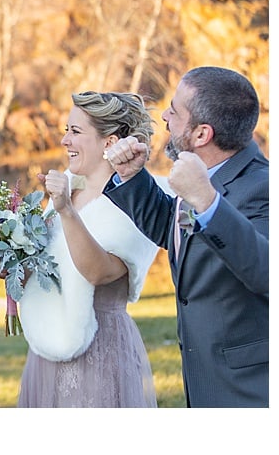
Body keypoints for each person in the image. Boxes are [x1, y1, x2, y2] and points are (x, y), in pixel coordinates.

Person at [103, 66, 268, 407]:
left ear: (201, 134)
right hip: (202, 376)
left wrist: (207, 200)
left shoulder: (263, 186)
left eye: (175, 111)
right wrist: (133, 177)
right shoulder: (198, 171)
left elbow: (266, 270)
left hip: (247, 389)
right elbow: (177, 235)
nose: (164, 116)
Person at [18, 91, 159, 407]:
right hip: (48, 344)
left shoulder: (134, 200)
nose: (65, 141)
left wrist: (66, 210)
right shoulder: (70, 190)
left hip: (99, 349)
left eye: (75, 132)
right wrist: (14, 262)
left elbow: (99, 272)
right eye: (66, 130)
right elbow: (50, 269)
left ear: (109, 142)